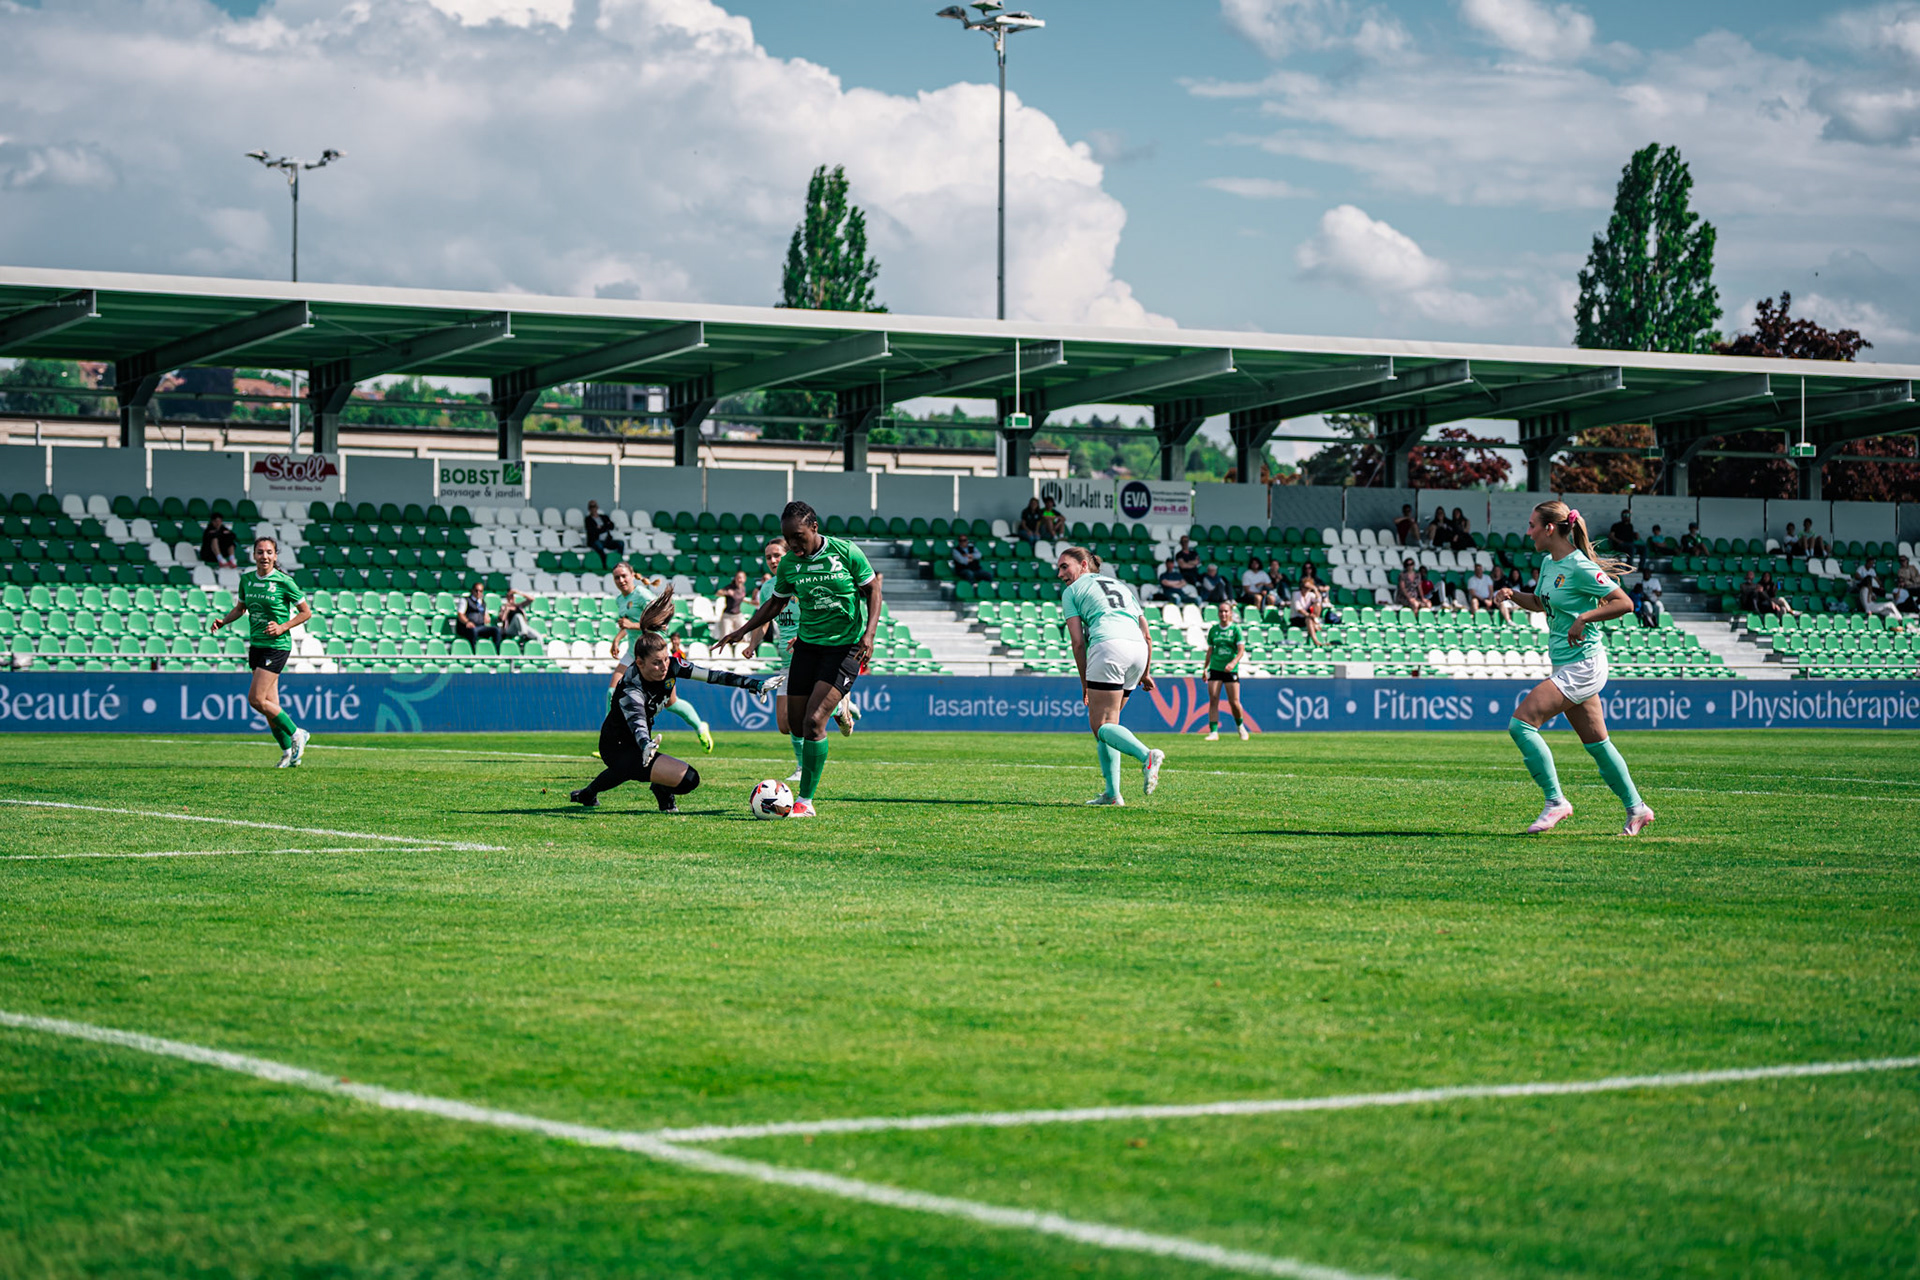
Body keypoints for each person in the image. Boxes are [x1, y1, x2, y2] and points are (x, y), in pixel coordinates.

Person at [1491, 501, 1653, 837]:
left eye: (1532, 524)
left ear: (1550, 528)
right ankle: (1637, 809)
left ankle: (1556, 802)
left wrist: (1584, 617)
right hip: (1567, 662)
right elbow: (1540, 603)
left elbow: (1624, 603)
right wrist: (1511, 594)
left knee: (1521, 725)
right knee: (1598, 744)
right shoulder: (1549, 563)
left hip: (1584, 665)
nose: (1528, 531)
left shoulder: (1579, 566)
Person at [719, 501, 883, 818]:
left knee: (812, 722)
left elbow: (873, 590)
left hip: (845, 647)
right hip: (807, 646)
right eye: (788, 538)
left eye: (798, 536)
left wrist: (869, 634)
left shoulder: (846, 552)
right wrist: (741, 630)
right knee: (795, 724)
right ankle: (839, 705)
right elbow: (775, 603)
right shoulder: (789, 565)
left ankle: (805, 802)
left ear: (814, 528)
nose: (793, 545)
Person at [570, 587, 780, 812]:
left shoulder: (673, 665)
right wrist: (645, 744)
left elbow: (713, 676)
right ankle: (597, 792)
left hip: (641, 747)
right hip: (616, 747)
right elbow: (638, 722)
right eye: (656, 663)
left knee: (689, 779)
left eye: (665, 660)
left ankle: (591, 793)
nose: (664, 667)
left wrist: (754, 684)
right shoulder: (632, 687)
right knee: (627, 767)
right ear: (639, 663)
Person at [1055, 545, 1163, 806]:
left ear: (1083, 565)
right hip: (1137, 649)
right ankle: (1112, 795)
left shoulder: (1073, 591)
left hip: (1109, 646)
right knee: (1110, 724)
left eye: (1064, 566)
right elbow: (1147, 634)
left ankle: (1146, 755)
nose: (1060, 574)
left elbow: (1078, 643)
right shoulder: (1121, 586)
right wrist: (1145, 672)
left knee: (1100, 726)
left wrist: (1084, 683)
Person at [208, 536, 311, 767]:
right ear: (254, 555)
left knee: (255, 699)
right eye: (260, 552)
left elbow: (306, 612)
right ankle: (287, 753)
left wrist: (282, 626)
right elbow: (240, 608)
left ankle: (297, 733)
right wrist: (224, 621)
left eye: (269, 552)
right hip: (256, 645)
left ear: (275, 556)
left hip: (276, 647)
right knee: (269, 705)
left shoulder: (285, 582)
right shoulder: (246, 580)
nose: (264, 556)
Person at [608, 560, 713, 753]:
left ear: (633, 575)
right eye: (617, 577)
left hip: (653, 654)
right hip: (633, 653)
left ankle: (700, 726)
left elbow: (658, 621)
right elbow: (628, 624)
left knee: (671, 703)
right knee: (612, 693)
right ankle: (614, 742)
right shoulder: (620, 600)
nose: (621, 580)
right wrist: (617, 638)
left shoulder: (641, 594)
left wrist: (630, 626)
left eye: (624, 576)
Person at [1202, 600, 1250, 741]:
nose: (1223, 614)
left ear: (1231, 613)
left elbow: (1241, 650)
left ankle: (1240, 727)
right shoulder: (1214, 630)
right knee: (1213, 699)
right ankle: (1214, 732)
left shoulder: (1235, 629)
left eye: (1226, 611)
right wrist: (1205, 668)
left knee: (1234, 702)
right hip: (1215, 667)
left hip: (1231, 669)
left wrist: (1233, 662)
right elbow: (1210, 651)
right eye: (1221, 611)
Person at [453, 583, 501, 648]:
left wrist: (487, 617)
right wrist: (467, 622)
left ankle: (496, 652)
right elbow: (460, 614)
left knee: (496, 630)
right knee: (473, 631)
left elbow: (486, 615)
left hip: (480, 627)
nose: (478, 593)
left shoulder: (483, 603)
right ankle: (474, 652)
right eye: (476, 590)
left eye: (480, 591)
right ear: (472, 590)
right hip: (467, 628)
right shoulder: (465, 600)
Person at [713, 570, 748, 652]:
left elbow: (741, 598)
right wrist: (726, 592)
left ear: (744, 579)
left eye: (741, 578)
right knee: (724, 636)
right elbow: (718, 593)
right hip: (727, 615)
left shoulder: (743, 588)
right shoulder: (730, 587)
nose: (739, 580)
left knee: (743, 635)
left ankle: (740, 651)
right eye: (738, 578)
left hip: (738, 615)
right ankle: (723, 652)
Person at [1289, 579, 1325, 646]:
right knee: (1309, 619)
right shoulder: (1296, 594)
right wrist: (1309, 615)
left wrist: (1315, 589)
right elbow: (1299, 609)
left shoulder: (1310, 594)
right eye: (1304, 587)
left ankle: (1315, 622)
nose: (1305, 590)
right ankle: (1315, 641)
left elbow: (1319, 600)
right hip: (1296, 618)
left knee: (1317, 605)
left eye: (1308, 588)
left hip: (1307, 617)